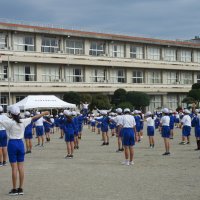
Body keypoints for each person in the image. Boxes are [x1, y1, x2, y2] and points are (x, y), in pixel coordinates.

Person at [0, 105, 49, 195]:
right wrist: (43, 113)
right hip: (20, 144)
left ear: (11, 114)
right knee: (21, 168)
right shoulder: (23, 121)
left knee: (14, 168)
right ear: (19, 113)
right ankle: (20, 188)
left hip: (12, 144)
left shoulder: (9, 122)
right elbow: (34, 118)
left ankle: (14, 189)